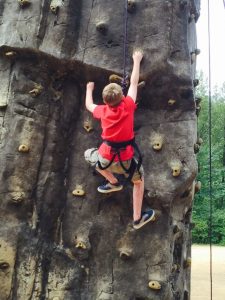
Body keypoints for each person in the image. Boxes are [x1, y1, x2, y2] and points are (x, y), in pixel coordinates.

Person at [84, 49, 155, 229]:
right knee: (138, 182)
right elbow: (133, 83)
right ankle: (138, 218)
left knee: (88, 155)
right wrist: (137, 61)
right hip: (126, 159)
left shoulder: (102, 111)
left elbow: (89, 105)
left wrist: (88, 89)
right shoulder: (128, 105)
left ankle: (113, 182)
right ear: (122, 97)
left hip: (106, 158)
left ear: (105, 101)